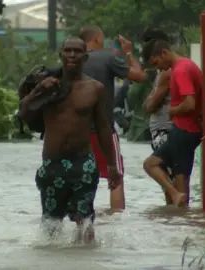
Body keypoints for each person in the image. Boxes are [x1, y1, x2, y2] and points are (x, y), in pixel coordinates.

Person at [19, 37, 121, 243]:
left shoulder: (95, 89)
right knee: (50, 224)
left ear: (85, 57)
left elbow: (103, 127)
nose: (72, 55)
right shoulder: (46, 85)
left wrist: (112, 165)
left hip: (82, 163)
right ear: (61, 55)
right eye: (68, 51)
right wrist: (39, 90)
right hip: (52, 164)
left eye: (77, 51)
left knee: (85, 222)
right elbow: (23, 112)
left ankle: (85, 261)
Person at [78, 25, 146, 211]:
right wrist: (129, 53)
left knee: (80, 179)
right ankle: (116, 223)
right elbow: (140, 76)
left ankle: (82, 225)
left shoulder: (72, 61)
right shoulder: (107, 58)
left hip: (76, 132)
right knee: (115, 177)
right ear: (97, 40)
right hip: (104, 131)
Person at [141, 38, 203, 207]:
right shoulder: (186, 65)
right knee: (178, 174)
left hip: (183, 130)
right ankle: (179, 207)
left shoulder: (180, 70)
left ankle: (179, 210)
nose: (158, 68)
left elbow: (190, 103)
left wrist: (172, 111)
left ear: (164, 53)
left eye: (157, 62)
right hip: (189, 130)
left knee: (172, 173)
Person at [141, 29, 174, 205]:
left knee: (166, 176)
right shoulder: (162, 72)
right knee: (167, 177)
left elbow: (151, 105)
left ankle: (174, 210)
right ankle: (172, 216)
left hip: (164, 129)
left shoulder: (166, 72)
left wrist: (149, 102)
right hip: (161, 129)